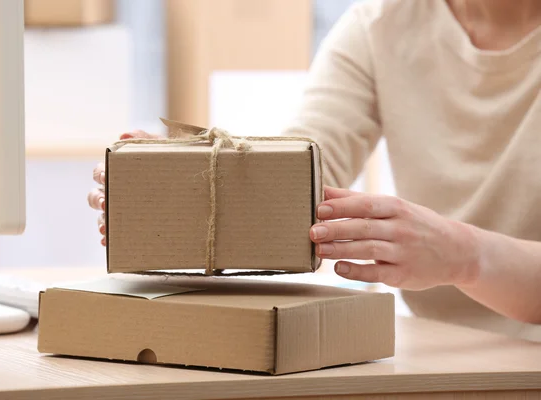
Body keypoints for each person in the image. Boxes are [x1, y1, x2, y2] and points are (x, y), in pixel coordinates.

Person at [88, 0, 541, 340]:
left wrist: (467, 255)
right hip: (449, 352)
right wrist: (189, 175)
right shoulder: (380, 24)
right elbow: (302, 175)